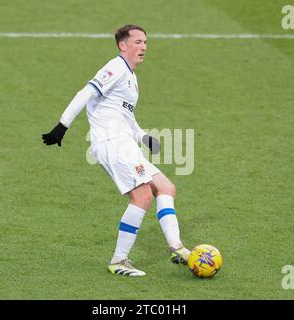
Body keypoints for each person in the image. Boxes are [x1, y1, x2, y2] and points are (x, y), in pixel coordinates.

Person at [42, 24, 190, 276]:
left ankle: (176, 247)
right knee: (143, 196)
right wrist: (62, 126)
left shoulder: (131, 77)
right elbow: (85, 92)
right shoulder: (116, 67)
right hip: (112, 142)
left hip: (125, 141)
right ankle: (119, 260)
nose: (143, 46)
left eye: (145, 42)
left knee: (165, 187)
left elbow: (126, 117)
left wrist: (143, 137)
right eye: (137, 42)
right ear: (123, 45)